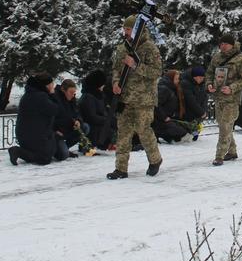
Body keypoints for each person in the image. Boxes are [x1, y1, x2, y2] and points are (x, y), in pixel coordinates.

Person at [108, 15, 164, 179]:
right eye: (124, 29)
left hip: (144, 99)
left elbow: (156, 72)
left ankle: (155, 160)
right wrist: (116, 83)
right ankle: (121, 168)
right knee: (123, 133)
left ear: (137, 29)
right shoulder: (122, 48)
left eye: (128, 29)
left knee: (143, 131)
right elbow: (116, 69)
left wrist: (135, 65)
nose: (125, 32)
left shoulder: (149, 48)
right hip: (125, 98)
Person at [206, 33, 242, 165]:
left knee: (225, 126)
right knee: (223, 125)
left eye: (226, 43)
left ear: (232, 44)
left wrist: (232, 88)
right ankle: (232, 151)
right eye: (221, 44)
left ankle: (219, 156)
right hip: (218, 97)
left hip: (232, 99)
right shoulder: (216, 57)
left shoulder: (241, 59)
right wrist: (209, 84)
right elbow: (209, 73)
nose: (223, 46)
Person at [9, 74, 60, 166]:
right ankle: (18, 151)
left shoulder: (29, 94)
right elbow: (55, 110)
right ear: (47, 85)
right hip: (36, 135)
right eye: (52, 84)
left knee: (42, 154)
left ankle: (21, 152)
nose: (53, 86)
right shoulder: (41, 96)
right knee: (44, 159)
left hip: (25, 134)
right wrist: (53, 94)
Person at [153, 70, 189, 144]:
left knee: (184, 131)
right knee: (182, 133)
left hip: (167, 118)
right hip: (159, 120)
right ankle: (158, 133)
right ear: (170, 78)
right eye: (176, 79)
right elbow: (156, 105)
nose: (178, 81)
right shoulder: (164, 89)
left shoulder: (171, 88)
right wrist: (164, 117)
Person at [79, 70, 110, 151]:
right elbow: (91, 117)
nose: (104, 86)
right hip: (92, 131)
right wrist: (107, 120)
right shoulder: (88, 97)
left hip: (99, 128)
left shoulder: (98, 95)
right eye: (102, 84)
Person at [53, 79, 85, 157]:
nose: (73, 95)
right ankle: (58, 149)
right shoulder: (54, 98)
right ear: (63, 90)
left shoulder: (72, 98)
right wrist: (54, 130)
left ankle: (65, 147)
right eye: (71, 92)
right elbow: (48, 118)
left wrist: (78, 121)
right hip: (57, 132)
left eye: (74, 93)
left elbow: (77, 113)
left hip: (68, 128)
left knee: (85, 127)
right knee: (63, 155)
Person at [179, 66, 209, 139]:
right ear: (194, 77)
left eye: (203, 78)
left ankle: (194, 133)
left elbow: (205, 97)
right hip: (188, 111)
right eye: (200, 77)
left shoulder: (202, 84)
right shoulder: (185, 83)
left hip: (198, 112)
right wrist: (201, 112)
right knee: (188, 125)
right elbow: (190, 100)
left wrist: (203, 111)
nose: (201, 79)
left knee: (195, 126)